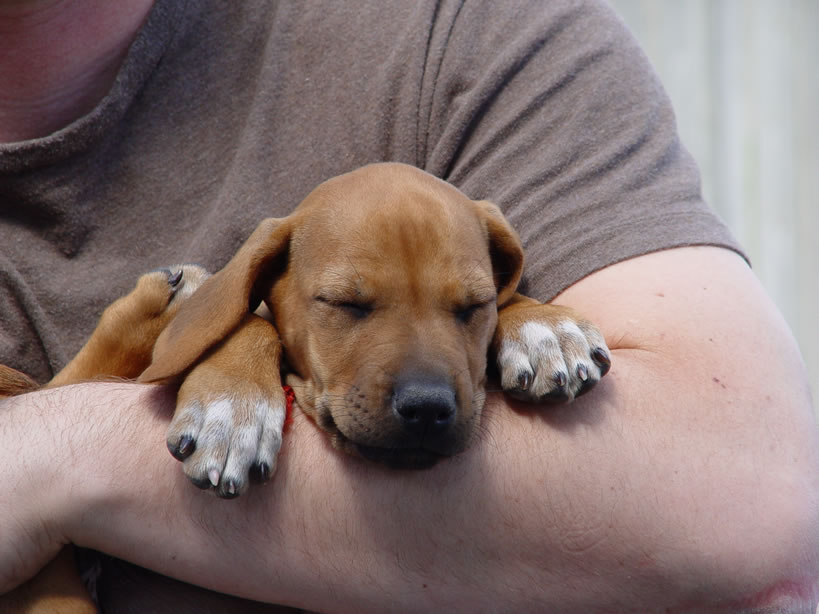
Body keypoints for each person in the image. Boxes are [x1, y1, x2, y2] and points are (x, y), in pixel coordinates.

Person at [1, 0, 817, 612]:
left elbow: (748, 497)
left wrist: (59, 458)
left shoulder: (467, 33)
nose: (425, 386)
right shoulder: (251, 299)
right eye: (352, 305)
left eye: (470, 309)